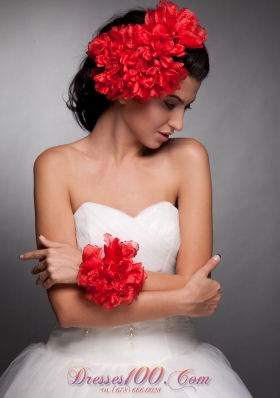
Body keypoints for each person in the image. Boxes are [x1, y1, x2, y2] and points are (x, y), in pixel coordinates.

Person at [0, 1, 253, 396]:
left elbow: (196, 285)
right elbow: (69, 312)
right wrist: (180, 298)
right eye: (169, 103)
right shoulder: (55, 166)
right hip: (73, 375)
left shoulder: (188, 158)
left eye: (187, 106)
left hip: (179, 375)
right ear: (125, 85)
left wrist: (86, 269)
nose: (179, 122)